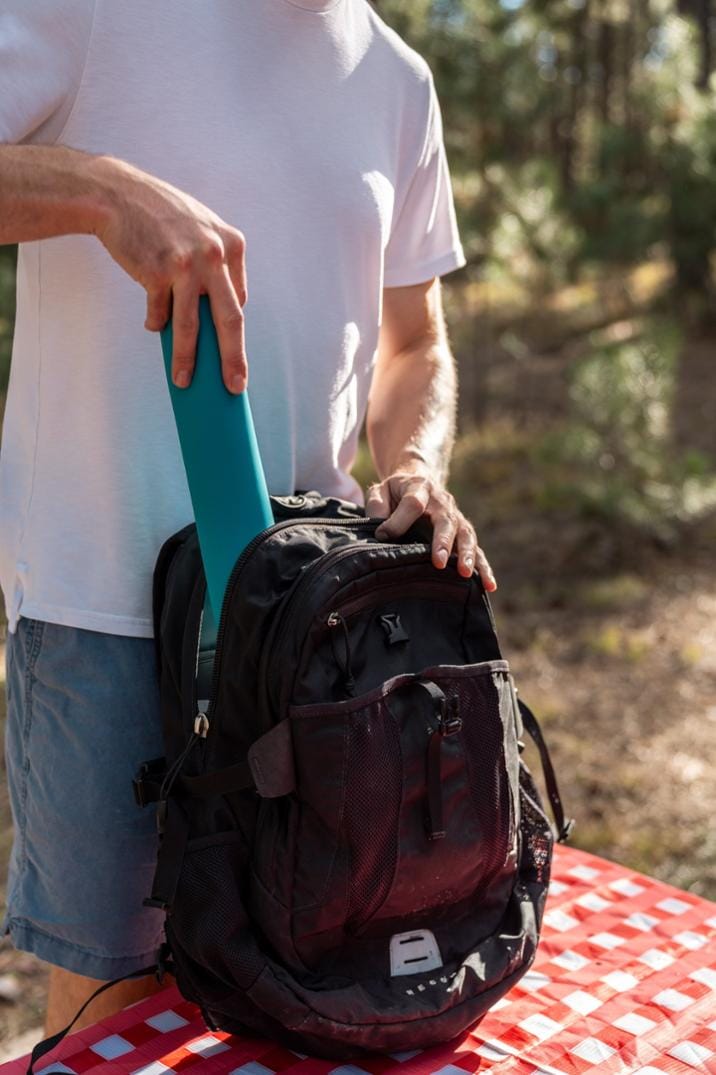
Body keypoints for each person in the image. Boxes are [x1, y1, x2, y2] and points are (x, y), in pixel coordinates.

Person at [0, 0, 497, 1037]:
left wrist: (414, 463)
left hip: (311, 637)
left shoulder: (399, 81)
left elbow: (415, 343)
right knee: (117, 1013)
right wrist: (102, 190)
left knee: (314, 980)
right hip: (106, 613)